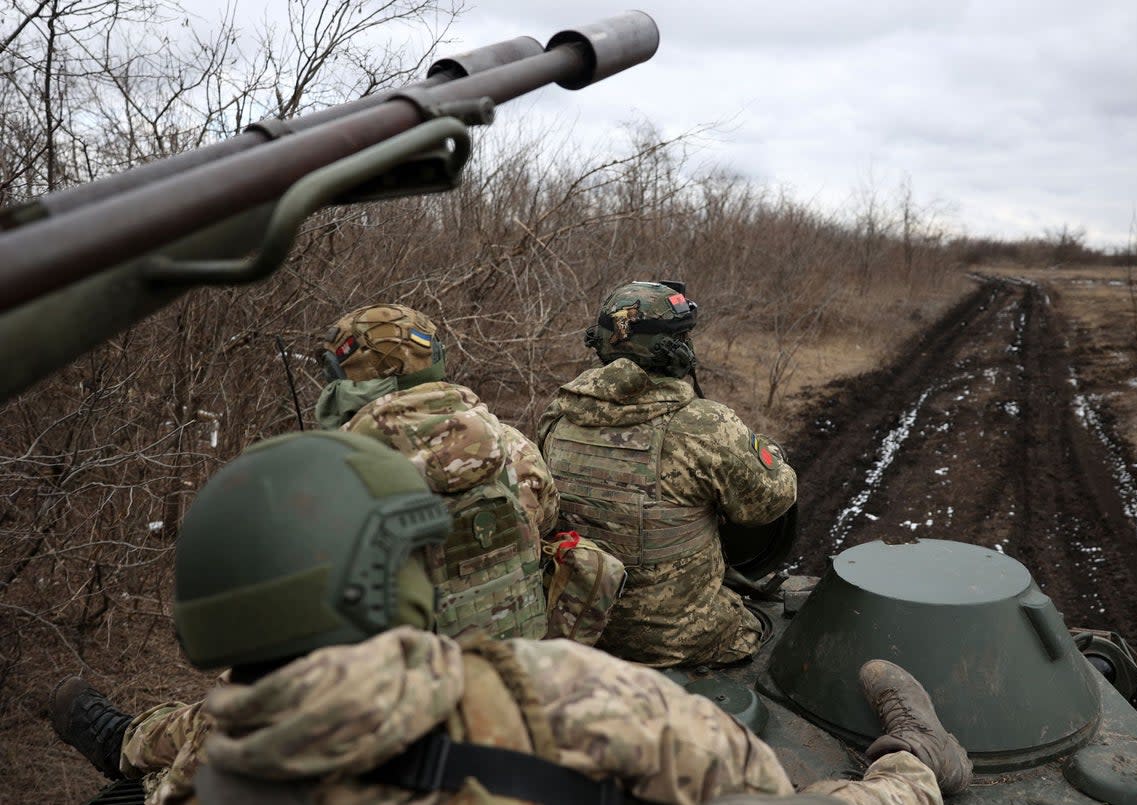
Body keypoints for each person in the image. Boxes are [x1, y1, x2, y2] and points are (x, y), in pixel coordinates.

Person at [50, 431, 972, 805]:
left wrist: (130, 744)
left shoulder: (211, 761)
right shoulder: (564, 698)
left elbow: (208, 718)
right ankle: (918, 762)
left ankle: (118, 734)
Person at [538, 281, 797, 667]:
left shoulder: (557, 415)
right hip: (679, 641)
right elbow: (773, 501)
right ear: (676, 352)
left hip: (578, 628)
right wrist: (769, 452)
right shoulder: (706, 425)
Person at [315, 303, 557, 640]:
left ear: (338, 377)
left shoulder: (325, 475)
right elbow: (544, 519)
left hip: (409, 682)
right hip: (515, 671)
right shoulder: (510, 444)